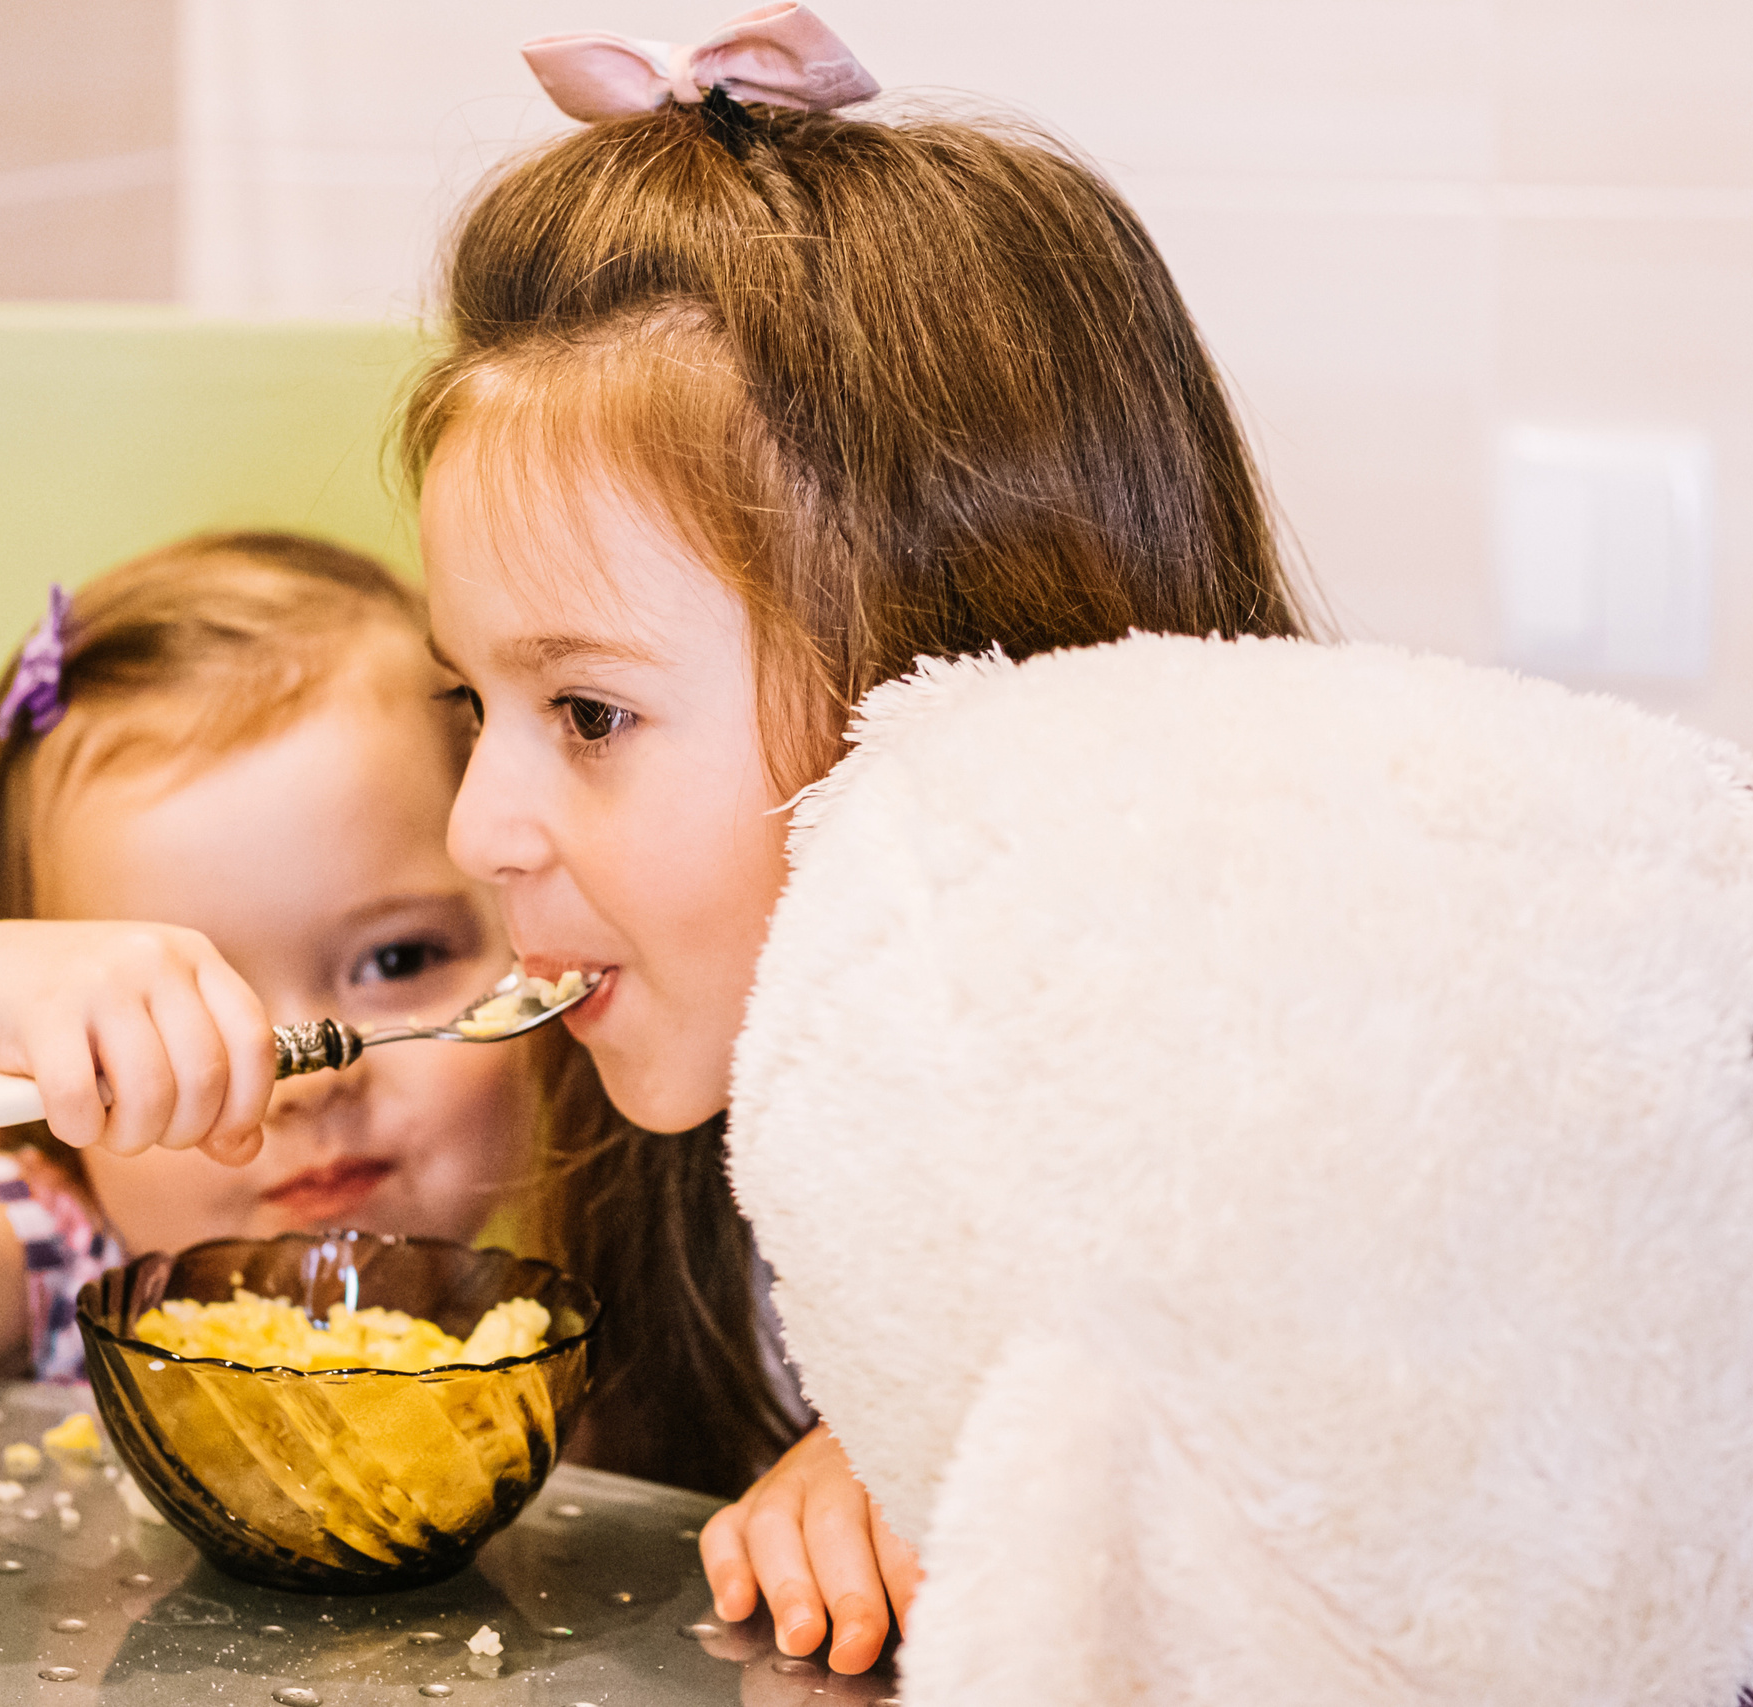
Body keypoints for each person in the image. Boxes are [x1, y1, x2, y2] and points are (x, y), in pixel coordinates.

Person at [405, 5, 1307, 1674]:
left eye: (588, 715)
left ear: (946, 681)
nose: (477, 827)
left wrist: (966, 1441)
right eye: (473, 704)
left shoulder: (1298, 1185)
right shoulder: (682, 1134)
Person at [0, 531, 541, 1382]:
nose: (303, 1082)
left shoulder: (593, 1243)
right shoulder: (61, 1272)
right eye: (174, 1013)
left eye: (396, 960)